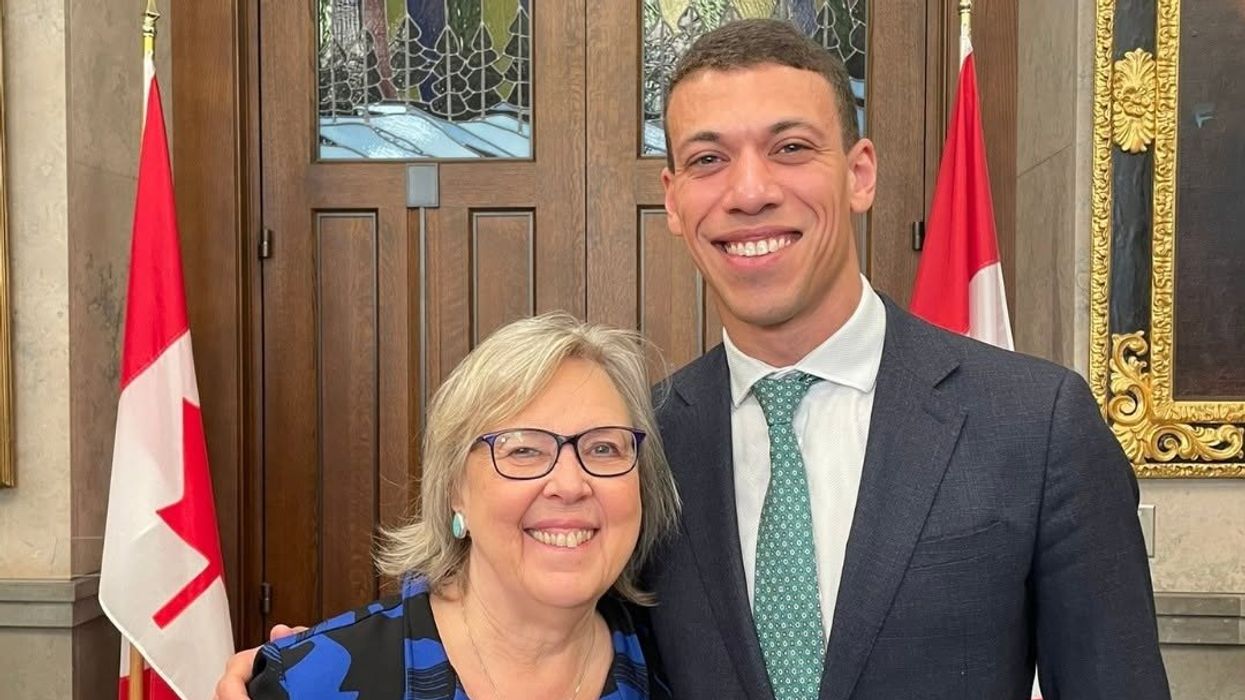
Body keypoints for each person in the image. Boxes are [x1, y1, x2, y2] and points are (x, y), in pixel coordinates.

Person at [219, 18, 1169, 700]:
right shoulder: (633, 448)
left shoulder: (1032, 422)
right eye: (708, 160)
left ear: (860, 171)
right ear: (673, 199)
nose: (749, 191)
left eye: (790, 147)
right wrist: (316, 670)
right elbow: (523, 596)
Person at [240, 313, 679, 699]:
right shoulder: (307, 682)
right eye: (523, 450)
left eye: (603, 448)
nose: (569, 484)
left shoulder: (683, 669)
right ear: (454, 490)